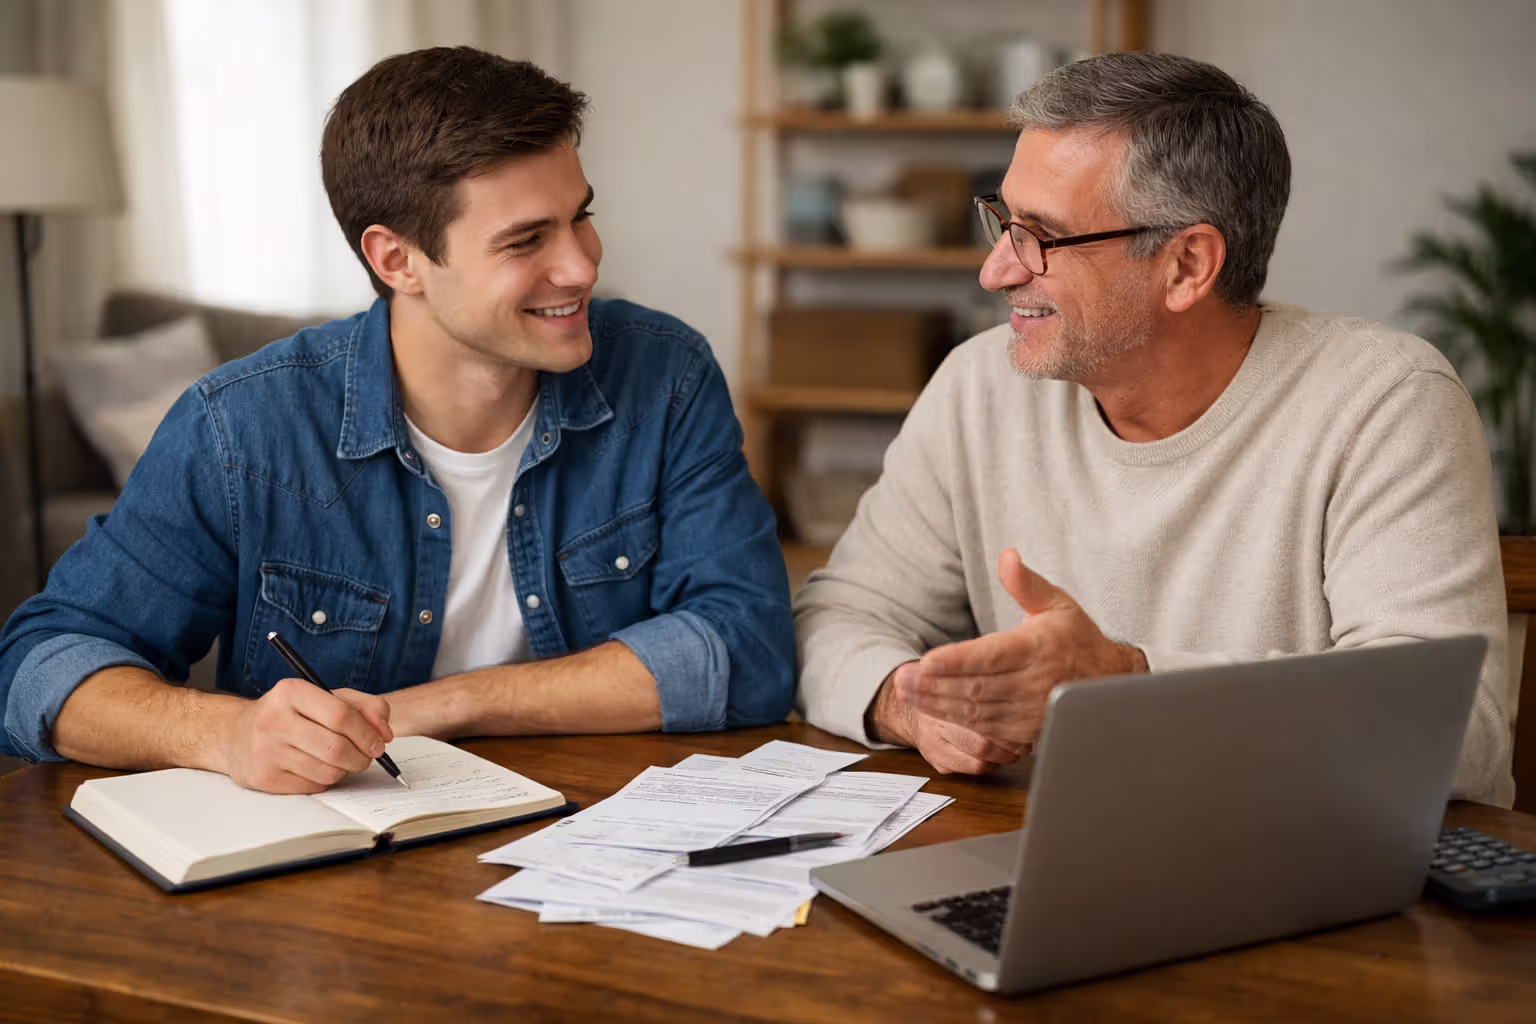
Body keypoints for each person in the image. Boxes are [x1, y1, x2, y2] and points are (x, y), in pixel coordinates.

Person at [0, 47, 794, 793]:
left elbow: (750, 646)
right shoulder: (242, 428)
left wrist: (440, 705)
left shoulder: (665, 375)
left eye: (579, 216)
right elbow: (40, 667)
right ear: (396, 260)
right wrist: (226, 733)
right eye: (527, 240)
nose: (583, 264)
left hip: (594, 827)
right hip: (338, 856)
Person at [794, 51, 1513, 806]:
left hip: (1318, 862)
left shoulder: (1386, 402)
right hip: (1044, 845)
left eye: (1041, 236)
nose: (996, 270)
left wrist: (1125, 682)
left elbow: (1454, 727)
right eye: (1002, 221)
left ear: (1187, 266)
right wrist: (908, 704)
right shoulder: (979, 385)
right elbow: (834, 618)